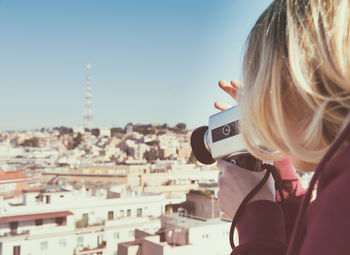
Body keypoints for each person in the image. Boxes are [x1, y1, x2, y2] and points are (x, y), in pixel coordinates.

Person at [214, 0, 350, 254]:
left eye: (265, 90)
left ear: (294, 82)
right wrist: (280, 164)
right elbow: (309, 236)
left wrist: (255, 216)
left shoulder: (343, 199)